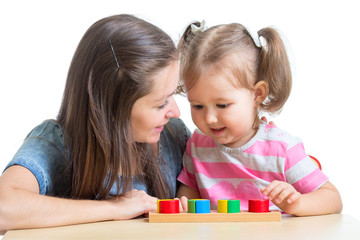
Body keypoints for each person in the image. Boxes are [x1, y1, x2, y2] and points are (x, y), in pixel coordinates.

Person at [0, 14, 191, 232]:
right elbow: (3, 208)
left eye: (173, 94)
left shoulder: (175, 137)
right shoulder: (57, 144)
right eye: (160, 103)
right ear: (111, 108)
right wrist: (115, 208)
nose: (175, 112)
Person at [176, 21, 342, 216]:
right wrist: (183, 203)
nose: (210, 118)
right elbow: (189, 195)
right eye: (197, 106)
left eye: (222, 105)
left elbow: (333, 199)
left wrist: (296, 203)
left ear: (257, 94)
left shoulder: (281, 149)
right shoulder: (197, 145)